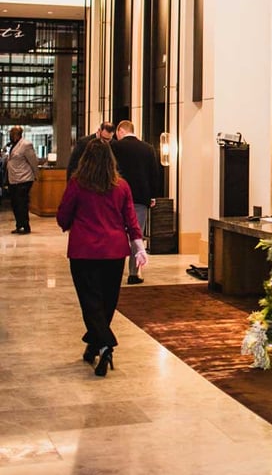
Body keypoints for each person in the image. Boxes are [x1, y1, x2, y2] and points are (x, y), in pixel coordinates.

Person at [56, 138, 147, 376]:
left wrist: (67, 224)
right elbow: (131, 219)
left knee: (91, 302)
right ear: (110, 160)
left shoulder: (77, 184)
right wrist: (139, 247)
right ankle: (94, 345)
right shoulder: (122, 186)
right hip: (115, 251)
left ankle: (105, 345)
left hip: (84, 251)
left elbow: (63, 215)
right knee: (107, 302)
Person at [113, 120, 160, 284]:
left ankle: (114, 272)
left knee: (117, 233)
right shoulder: (147, 148)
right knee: (136, 235)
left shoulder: (115, 147)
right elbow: (154, 173)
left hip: (117, 198)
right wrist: (152, 196)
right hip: (140, 198)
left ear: (120, 131)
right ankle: (134, 273)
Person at [6, 125, 39, 235]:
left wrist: (36, 175)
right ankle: (19, 225)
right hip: (13, 179)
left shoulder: (26, 145)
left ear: (17, 134)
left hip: (24, 179)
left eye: (12, 133)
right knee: (15, 203)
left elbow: (33, 161)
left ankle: (25, 226)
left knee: (21, 203)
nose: (10, 136)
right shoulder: (12, 145)